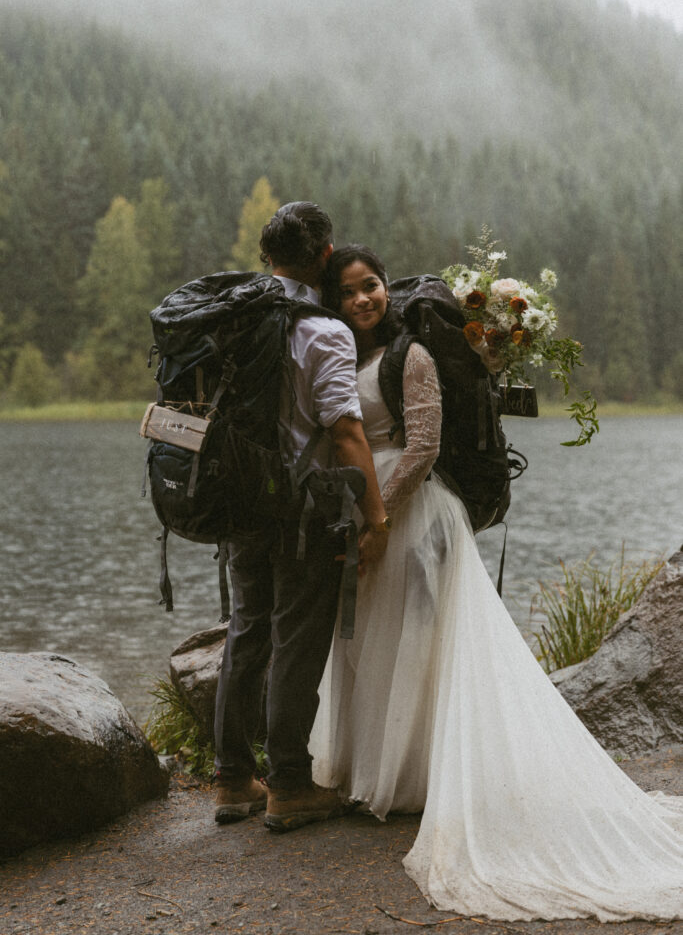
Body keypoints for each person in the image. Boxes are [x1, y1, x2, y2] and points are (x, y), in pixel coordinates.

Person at [309, 243, 683, 921]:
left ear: (386, 290)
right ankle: (377, 777)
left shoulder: (411, 356)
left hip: (414, 518)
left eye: (371, 287)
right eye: (348, 292)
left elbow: (422, 445)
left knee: (421, 645)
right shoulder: (347, 360)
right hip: (366, 512)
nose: (362, 299)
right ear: (333, 303)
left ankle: (418, 781)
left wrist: (377, 516)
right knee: (374, 642)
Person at [213, 205, 391, 833]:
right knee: (296, 637)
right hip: (303, 506)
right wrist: (376, 516)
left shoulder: (235, 315)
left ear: (268, 257)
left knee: (248, 627)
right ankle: (288, 783)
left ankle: (233, 778)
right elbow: (345, 431)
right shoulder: (325, 331)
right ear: (325, 255)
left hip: (239, 498)